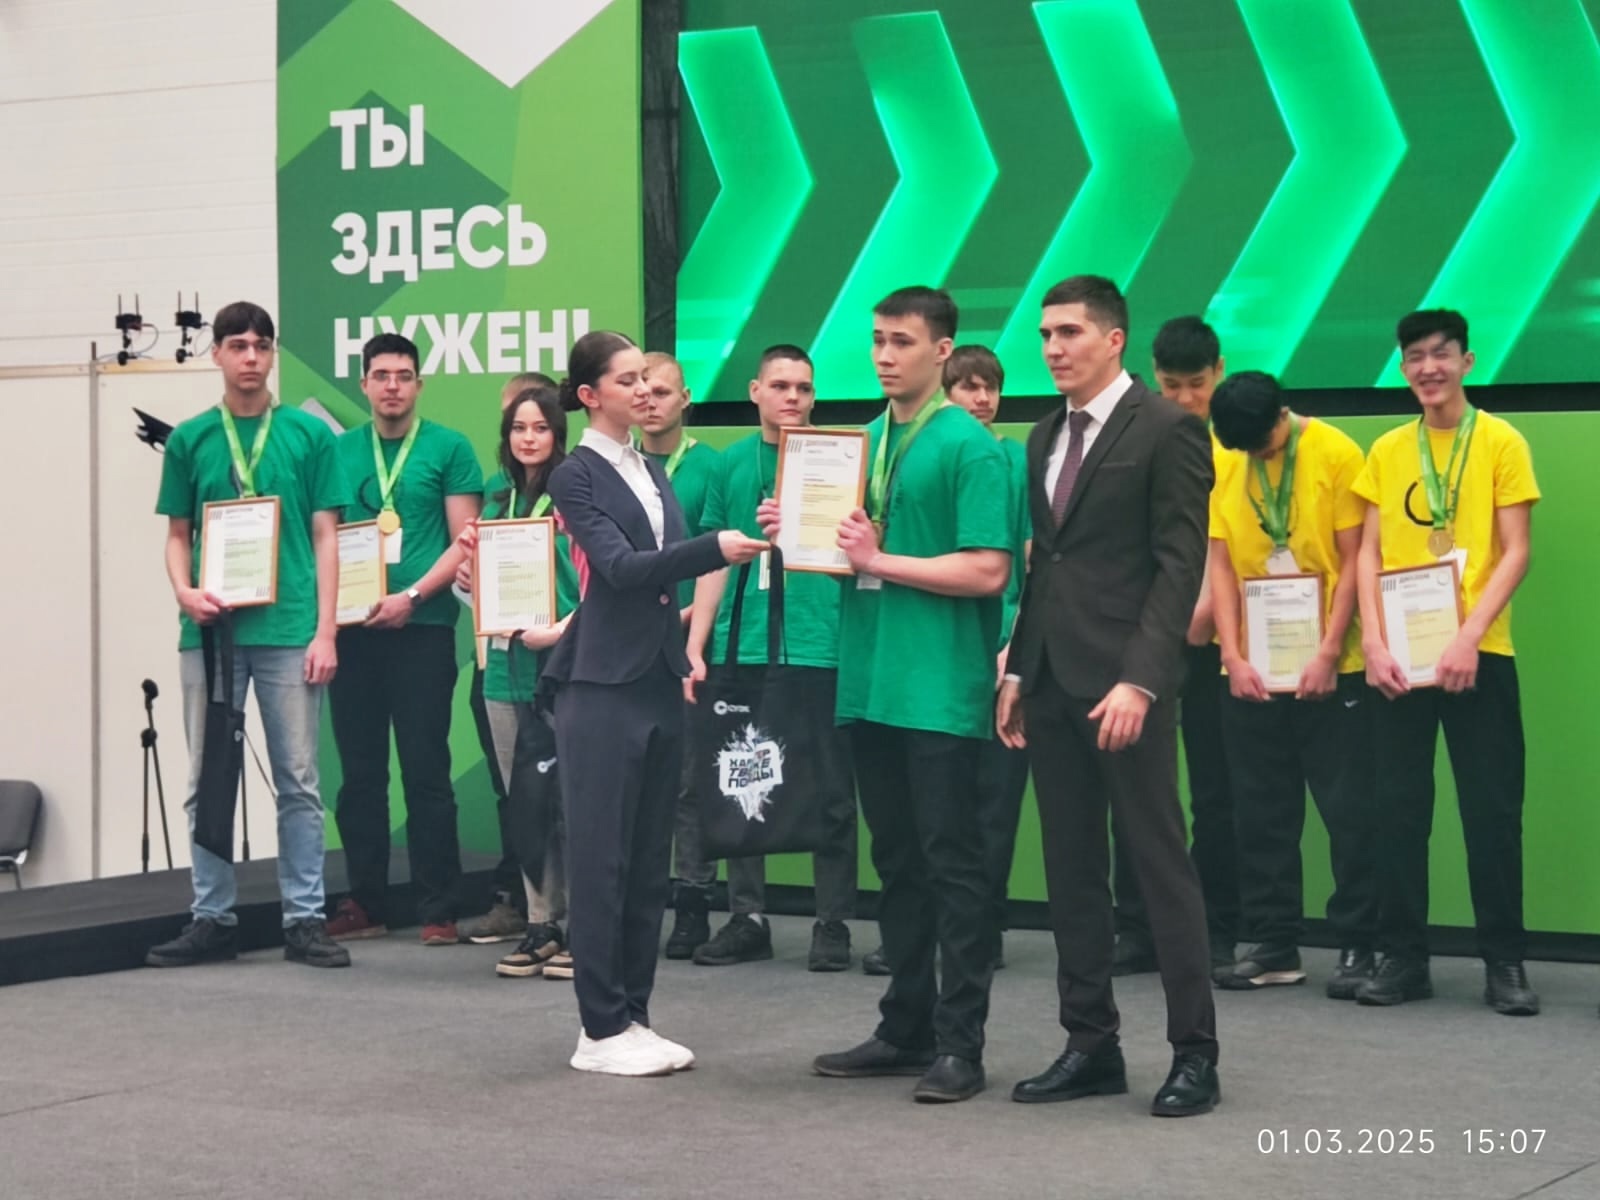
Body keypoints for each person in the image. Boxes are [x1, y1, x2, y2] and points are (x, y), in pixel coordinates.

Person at [763, 287, 1012, 1105]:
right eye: (876, 340)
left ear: (942, 351)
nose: (883, 355)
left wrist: (877, 560)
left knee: (953, 867)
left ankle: (961, 1045)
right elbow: (846, 556)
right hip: (868, 684)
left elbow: (988, 569)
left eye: (901, 341)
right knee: (897, 865)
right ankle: (905, 1028)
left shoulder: (968, 445)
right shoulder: (860, 442)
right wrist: (798, 532)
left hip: (938, 690)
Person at [997, 275, 1218, 1117]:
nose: (1052, 348)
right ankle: (1090, 1043)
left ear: (1114, 339)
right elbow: (1046, 567)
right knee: (1071, 869)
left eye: (1069, 333)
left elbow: (1179, 566)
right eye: (1045, 334)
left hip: (1129, 686)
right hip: (1051, 681)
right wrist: (1018, 671)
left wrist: (1141, 678)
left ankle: (1195, 1053)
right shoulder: (1043, 434)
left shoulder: (1167, 428)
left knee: (1160, 866)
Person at [542, 331, 765, 1076]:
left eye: (647, 378)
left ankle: (633, 1017)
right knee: (601, 861)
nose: (643, 390)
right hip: (600, 684)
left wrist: (743, 539)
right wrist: (715, 548)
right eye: (626, 380)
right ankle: (598, 1029)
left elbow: (665, 573)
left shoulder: (650, 466)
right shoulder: (573, 474)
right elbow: (620, 568)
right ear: (589, 396)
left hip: (658, 677)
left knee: (645, 864)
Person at [145, 301, 350, 969]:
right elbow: (177, 536)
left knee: (299, 780)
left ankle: (305, 920)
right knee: (208, 779)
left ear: (273, 353)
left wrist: (327, 631)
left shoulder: (307, 435)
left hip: (291, 630)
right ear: (217, 354)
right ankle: (212, 917)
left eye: (262, 345)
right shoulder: (191, 439)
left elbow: (326, 537)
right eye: (238, 345)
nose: (252, 357)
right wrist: (184, 591)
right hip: (211, 632)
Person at [1351, 309, 1540, 1016]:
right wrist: (1372, 642)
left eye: (1441, 354)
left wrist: (1469, 637)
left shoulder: (1501, 441)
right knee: (1396, 812)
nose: (1427, 368)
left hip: (1478, 655)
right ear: (1403, 369)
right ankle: (1403, 959)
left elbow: (1517, 550)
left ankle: (1504, 962)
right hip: (1400, 661)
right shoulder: (1387, 449)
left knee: (1492, 812)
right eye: (1415, 357)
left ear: (1466, 361)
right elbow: (1368, 553)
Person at [683, 345, 859, 971]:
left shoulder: (841, 457)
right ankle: (747, 917)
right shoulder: (731, 462)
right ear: (755, 391)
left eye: (804, 388)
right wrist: (696, 643)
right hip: (744, 643)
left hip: (821, 641)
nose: (793, 397)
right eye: (780, 386)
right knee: (745, 783)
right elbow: (712, 558)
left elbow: (864, 550)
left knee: (832, 791)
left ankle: (832, 922)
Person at [1206, 371, 1380, 997]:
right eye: (1244, 449)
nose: (1256, 456)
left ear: (1283, 415)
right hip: (1254, 669)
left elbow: (1356, 558)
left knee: (1348, 811)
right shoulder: (1228, 458)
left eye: (1263, 444)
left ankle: (1359, 941)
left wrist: (1330, 651)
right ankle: (1275, 942)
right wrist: (1232, 654)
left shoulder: (1335, 452)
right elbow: (1220, 562)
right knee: (1261, 814)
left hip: (1332, 666)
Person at [323, 334, 481, 945]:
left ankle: (439, 906)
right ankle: (366, 902)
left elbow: (465, 541)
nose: (393, 386)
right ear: (363, 383)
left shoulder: (449, 447)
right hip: (353, 633)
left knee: (426, 770)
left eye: (404, 375)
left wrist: (410, 597)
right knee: (360, 775)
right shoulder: (336, 451)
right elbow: (323, 538)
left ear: (419, 384)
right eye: (382, 375)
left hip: (424, 631)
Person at [1110, 317, 1240, 976]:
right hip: (1150, 636)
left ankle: (1217, 927)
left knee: (1217, 790)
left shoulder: (1238, 446)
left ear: (1219, 372)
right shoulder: (1142, 440)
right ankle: (1136, 927)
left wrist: (1211, 609)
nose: (1186, 398)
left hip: (1221, 641)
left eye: (1197, 384)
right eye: (1171, 385)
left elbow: (1237, 544)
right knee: (1136, 789)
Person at [455, 383, 581, 978]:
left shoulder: (575, 496)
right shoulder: (498, 500)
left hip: (561, 667)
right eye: (518, 429)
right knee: (525, 805)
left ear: (558, 434)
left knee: (570, 804)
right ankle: (541, 923)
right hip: (502, 670)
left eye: (540, 428)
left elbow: (598, 584)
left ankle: (583, 927)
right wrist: (469, 575)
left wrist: (559, 630)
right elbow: (480, 586)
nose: (528, 439)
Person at [635, 352, 725, 962]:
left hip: (687, 641)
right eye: (641, 391)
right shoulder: (618, 466)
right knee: (634, 782)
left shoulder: (709, 466)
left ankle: (694, 901)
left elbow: (716, 554)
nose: (650, 401)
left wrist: (690, 629)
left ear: (686, 398)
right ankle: (638, 900)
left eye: (662, 392)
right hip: (627, 644)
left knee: (690, 782)